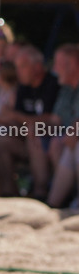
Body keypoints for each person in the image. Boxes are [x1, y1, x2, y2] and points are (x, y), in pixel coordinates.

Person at [0, 44, 58, 198]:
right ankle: (9, 192)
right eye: (17, 67)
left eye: (23, 66)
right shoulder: (23, 87)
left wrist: (16, 117)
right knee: (0, 139)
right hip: (25, 138)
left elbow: (50, 119)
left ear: (38, 67)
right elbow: (16, 120)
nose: (18, 72)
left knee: (35, 131)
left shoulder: (52, 84)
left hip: (48, 141)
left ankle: (40, 192)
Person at [43, 45, 79, 208]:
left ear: (71, 64)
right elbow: (55, 121)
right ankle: (54, 204)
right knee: (59, 142)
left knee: (75, 146)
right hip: (69, 141)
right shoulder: (66, 90)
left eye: (57, 63)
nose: (54, 69)